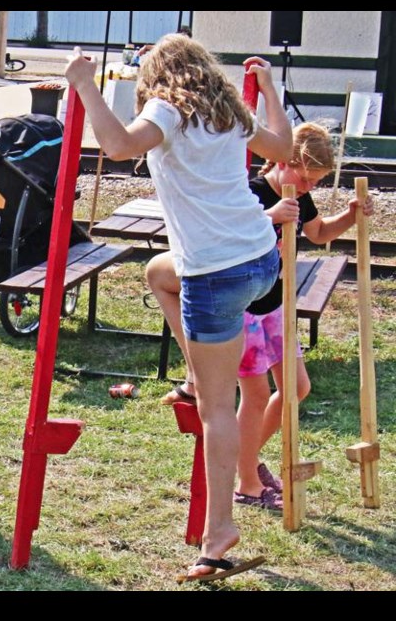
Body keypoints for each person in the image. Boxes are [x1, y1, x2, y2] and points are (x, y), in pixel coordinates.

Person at [65, 34, 293, 582]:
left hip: (216, 274)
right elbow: (283, 150)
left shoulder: (166, 109)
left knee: (219, 408)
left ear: (157, 77)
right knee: (158, 273)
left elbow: (118, 145)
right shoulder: (229, 111)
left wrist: (83, 84)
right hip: (262, 260)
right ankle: (196, 368)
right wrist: (271, 91)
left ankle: (220, 532)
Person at [234, 122, 374, 510]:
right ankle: (247, 482)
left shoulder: (301, 196)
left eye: (316, 181)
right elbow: (231, 235)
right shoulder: (252, 192)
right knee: (257, 393)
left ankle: (241, 459)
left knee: (296, 388)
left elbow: (318, 233)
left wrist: (350, 215)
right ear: (282, 159)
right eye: (306, 177)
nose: (309, 186)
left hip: (275, 304)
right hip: (243, 306)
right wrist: (273, 216)